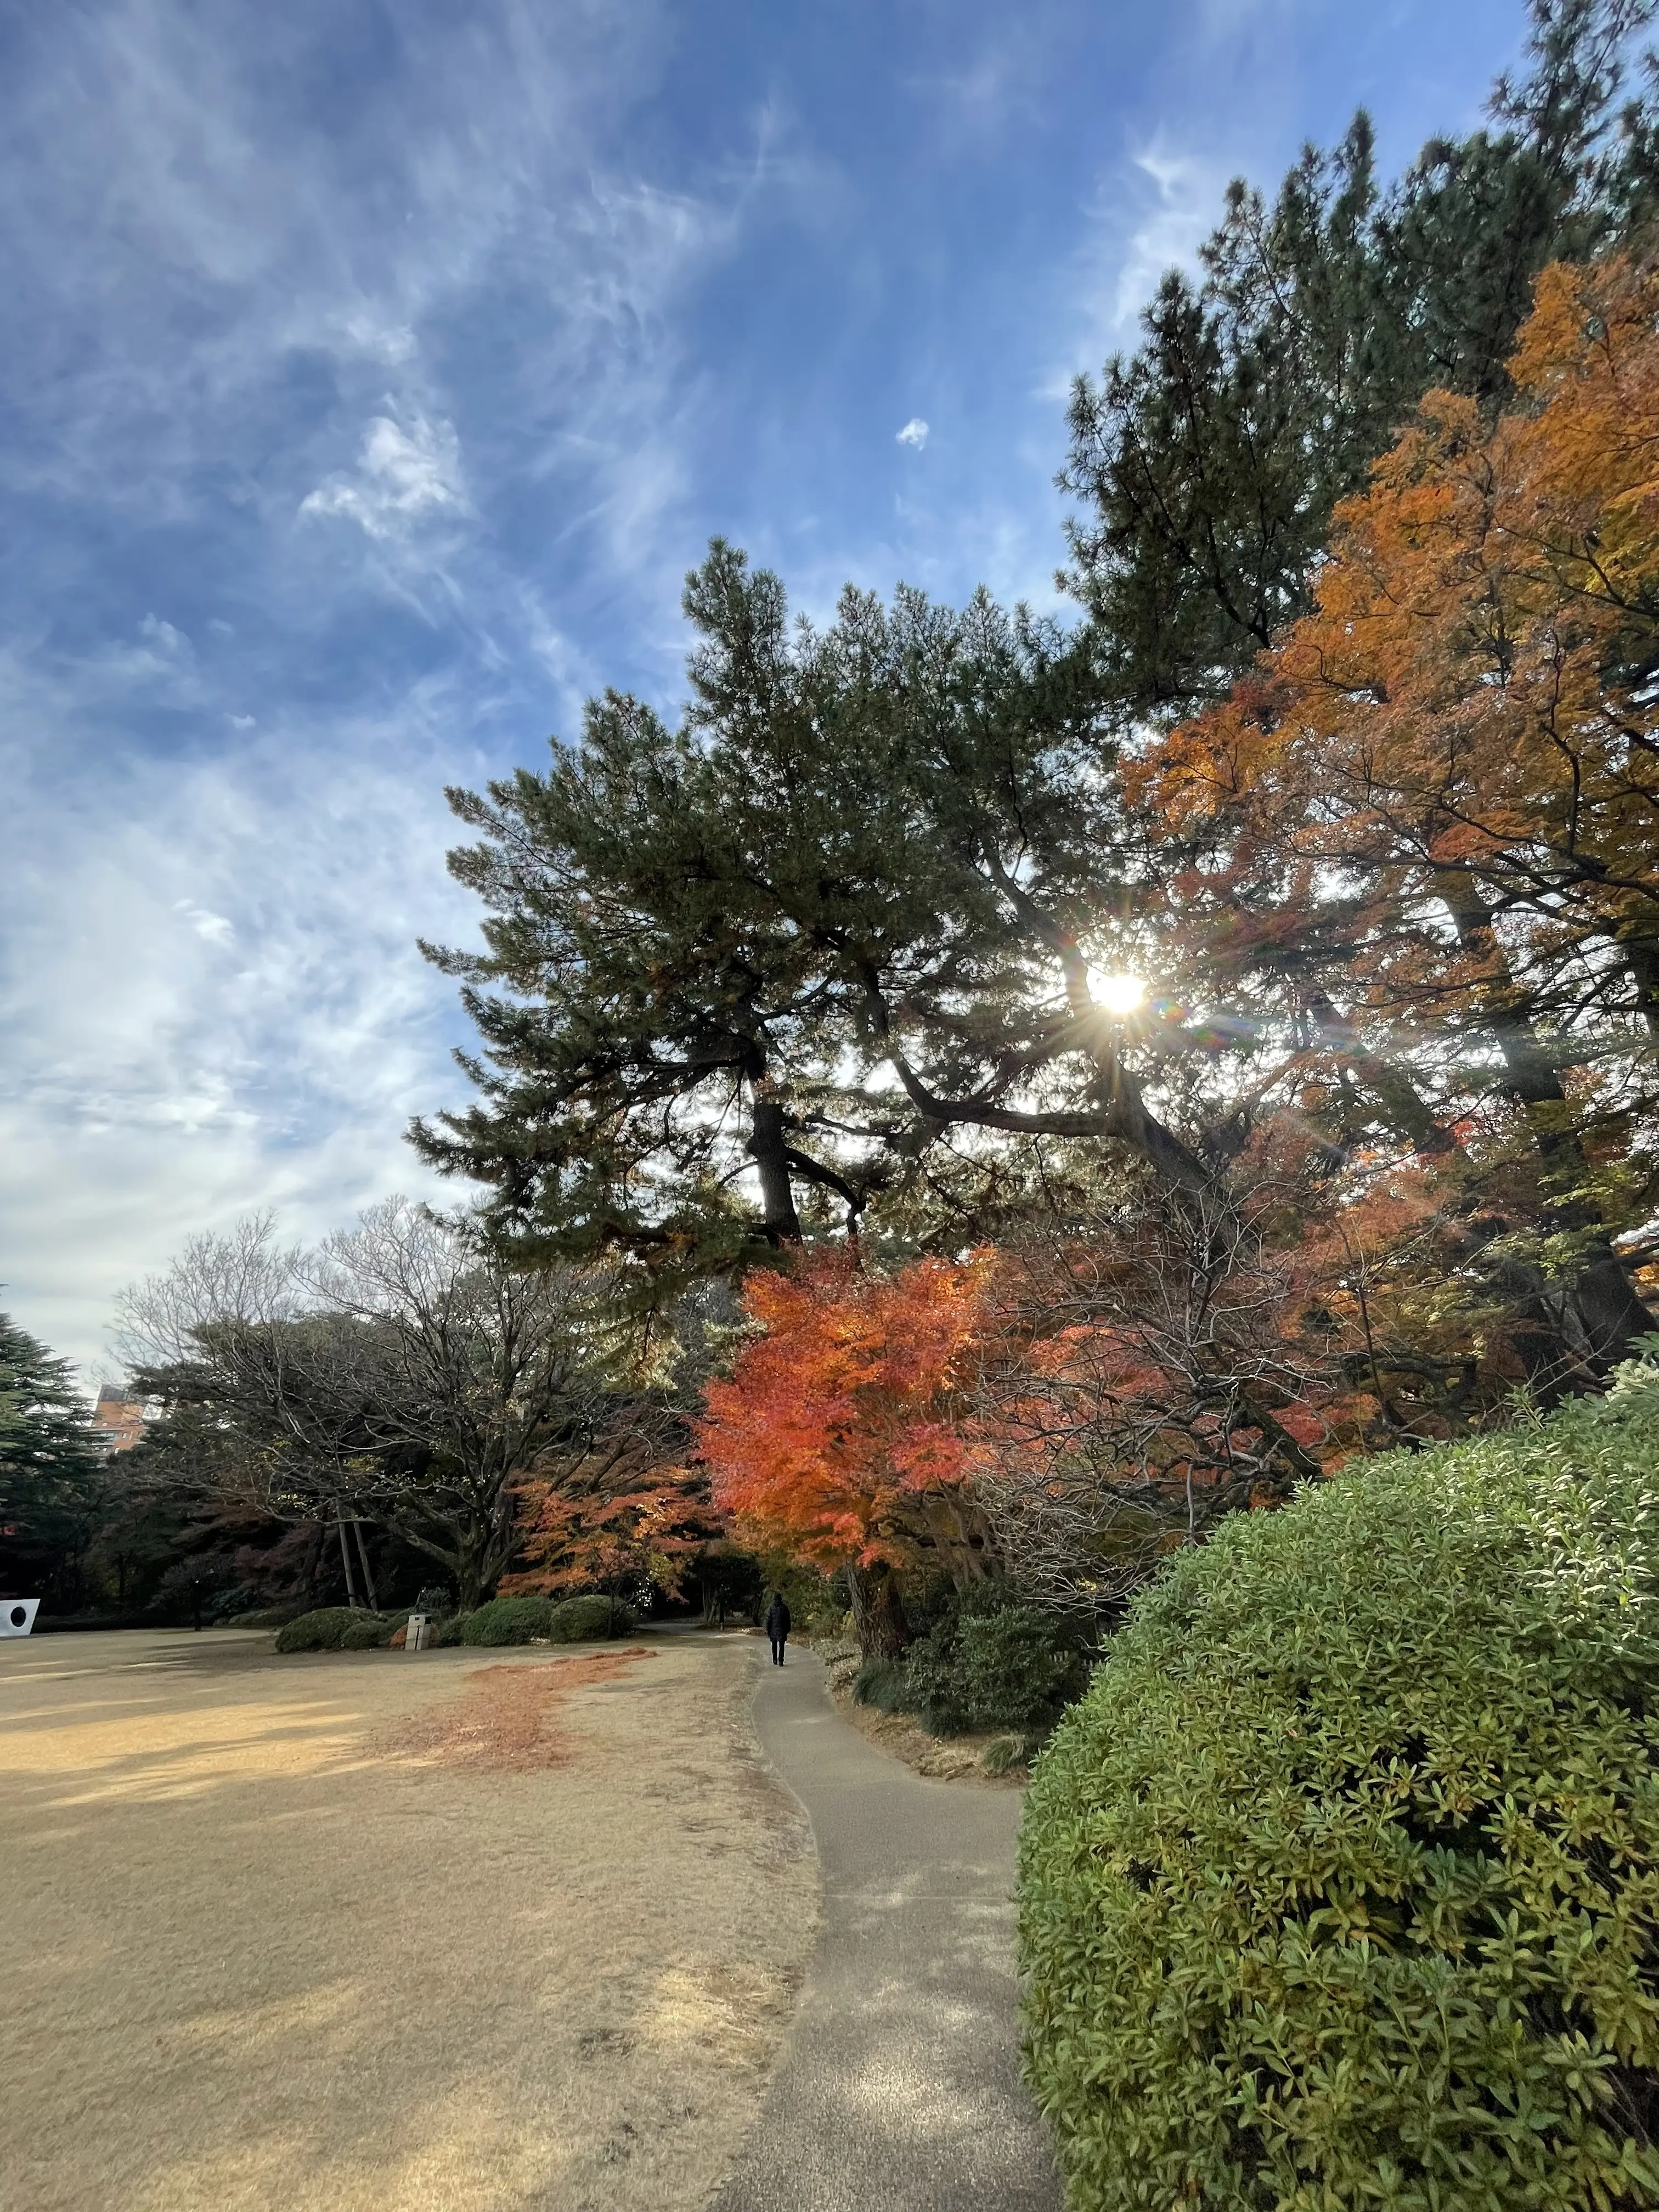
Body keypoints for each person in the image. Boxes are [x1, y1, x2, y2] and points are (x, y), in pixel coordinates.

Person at [765, 1591, 792, 1667]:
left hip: (773, 1629)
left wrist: (768, 1630)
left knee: (774, 1644)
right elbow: (788, 1620)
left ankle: (775, 1660)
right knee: (782, 1646)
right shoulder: (785, 1608)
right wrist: (787, 1630)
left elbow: (768, 1620)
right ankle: (781, 1661)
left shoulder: (771, 1608)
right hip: (782, 1630)